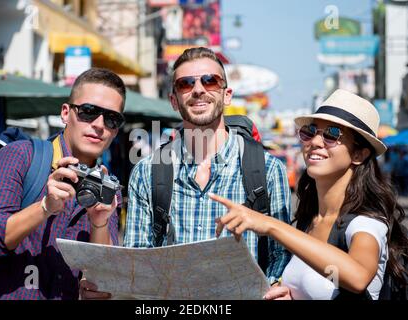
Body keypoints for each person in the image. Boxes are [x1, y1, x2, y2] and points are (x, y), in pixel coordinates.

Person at [211, 89, 408, 300]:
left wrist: (271, 225)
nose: (315, 141)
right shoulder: (310, 220)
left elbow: (357, 277)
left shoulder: (364, 223)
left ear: (359, 154)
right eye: (310, 131)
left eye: (332, 134)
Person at [124, 47, 292, 287]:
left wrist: (275, 285)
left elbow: (281, 255)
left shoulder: (267, 169)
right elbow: (136, 258)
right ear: (174, 100)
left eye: (210, 81)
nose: (199, 90)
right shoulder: (147, 172)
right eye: (185, 84)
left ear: (227, 95)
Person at [0, 68, 126, 300]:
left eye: (112, 118)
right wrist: (44, 207)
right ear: (65, 112)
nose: (100, 125)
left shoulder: (107, 187)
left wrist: (99, 225)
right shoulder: (20, 156)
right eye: (89, 112)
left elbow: (103, 280)